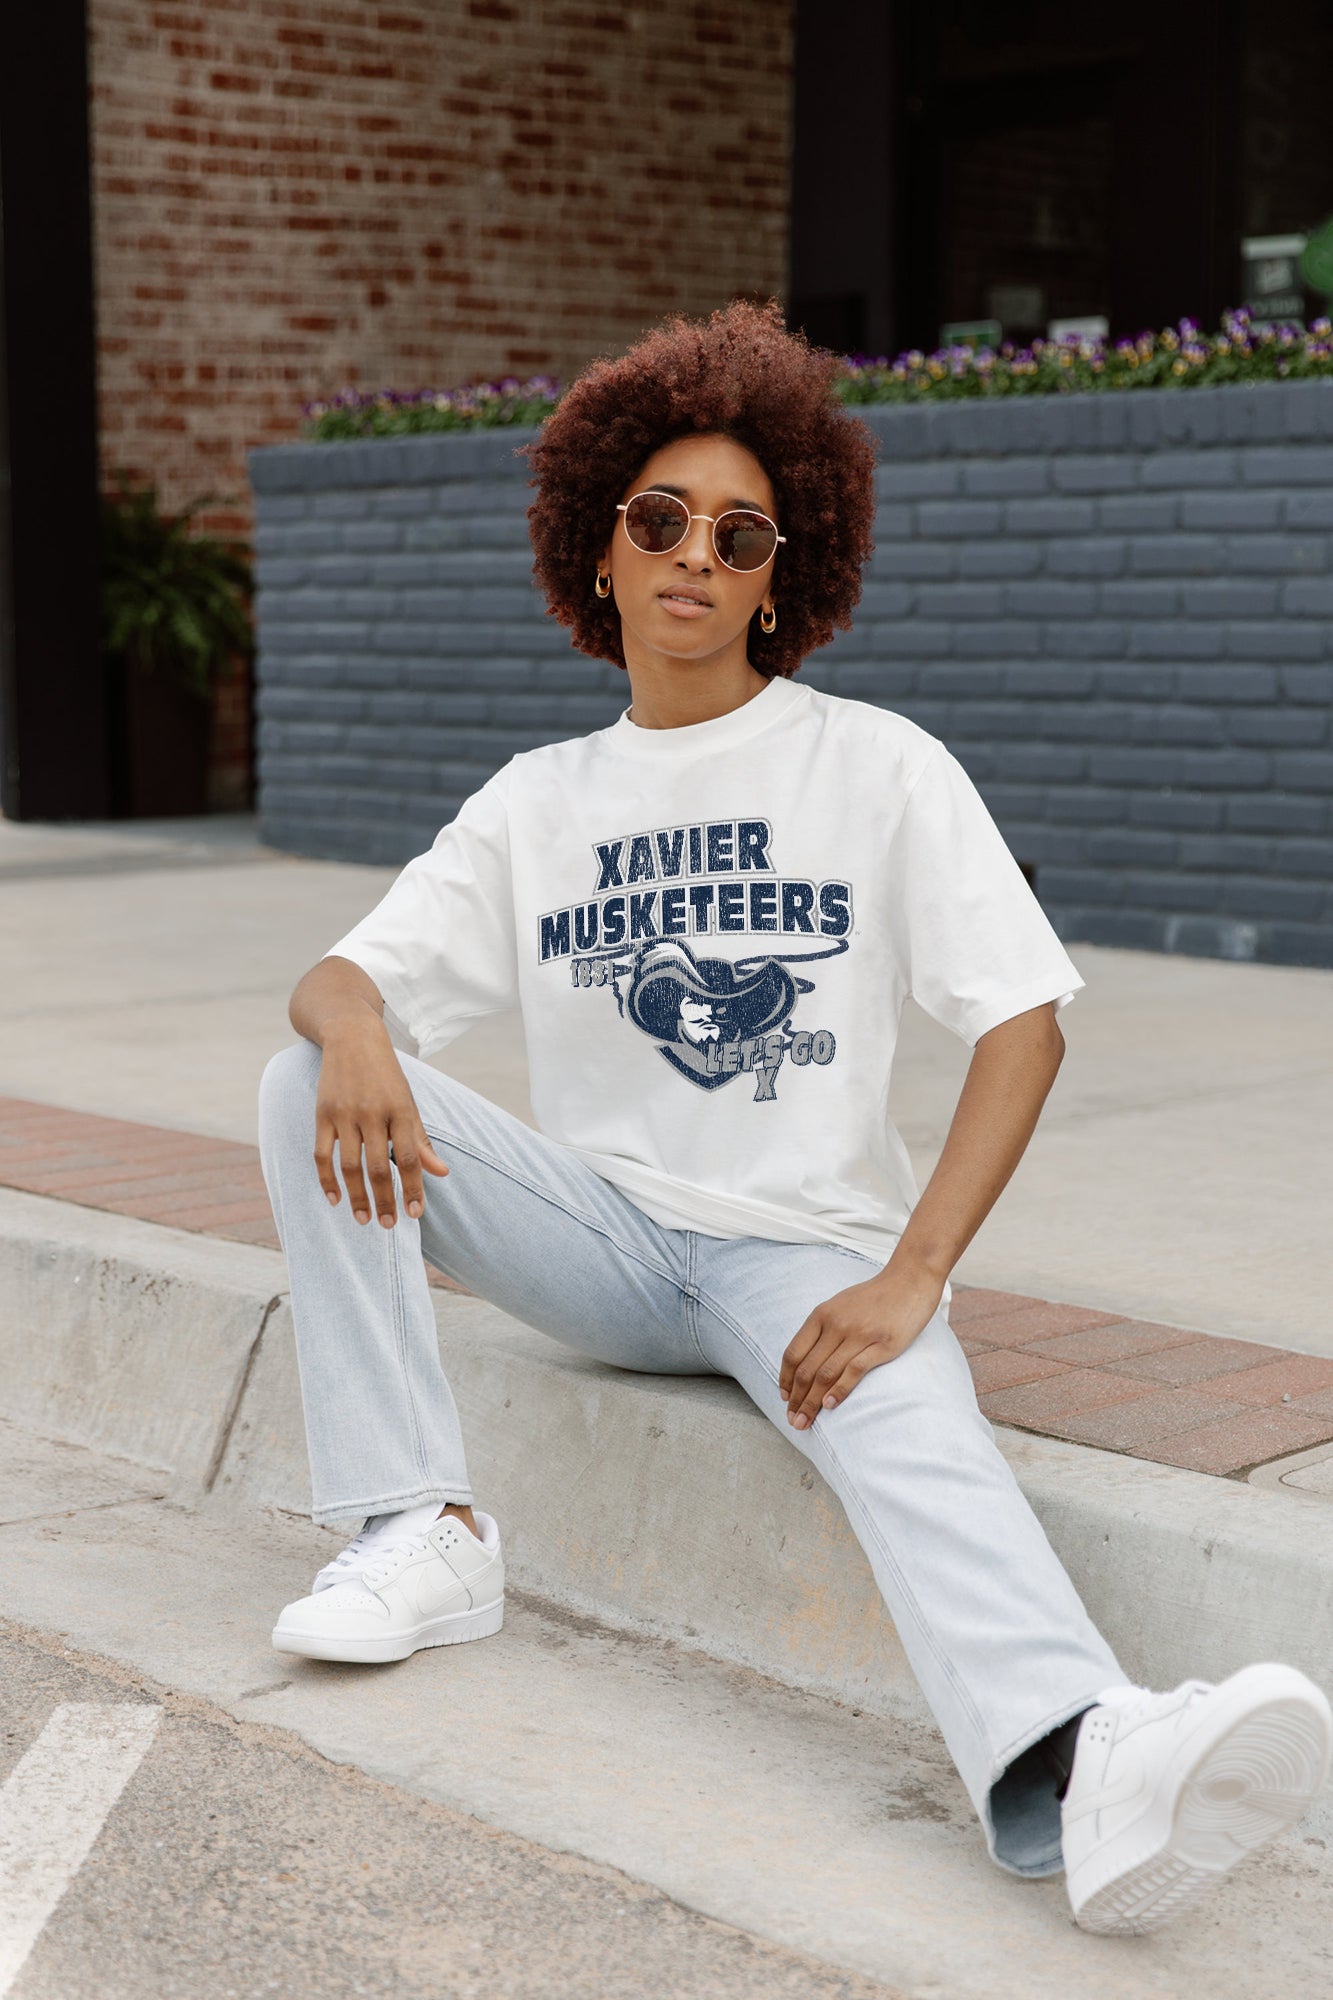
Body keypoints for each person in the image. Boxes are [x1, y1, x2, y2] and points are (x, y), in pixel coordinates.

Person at [257, 300, 1331, 1937]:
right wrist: (350, 1027)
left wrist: (914, 1275)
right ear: (596, 549)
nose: (694, 553)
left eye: (738, 533)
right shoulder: (538, 802)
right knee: (300, 1080)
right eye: (658, 519)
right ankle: (419, 1529)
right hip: (602, 1242)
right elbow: (344, 979)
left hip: (804, 1257)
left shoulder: (875, 766)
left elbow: (1022, 1023)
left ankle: (1088, 1759)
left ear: (779, 579)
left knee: (910, 1424)